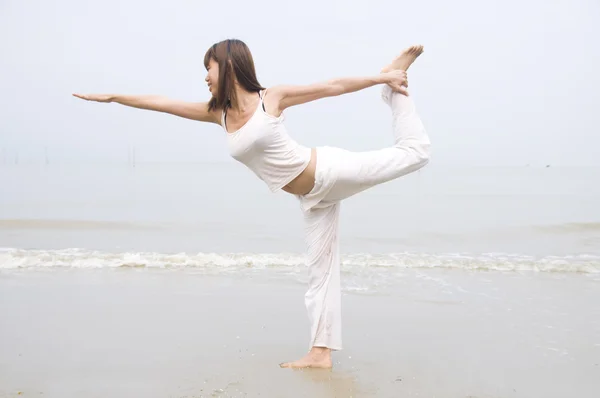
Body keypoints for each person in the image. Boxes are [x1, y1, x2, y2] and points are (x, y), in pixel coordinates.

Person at [73, 39, 431, 369]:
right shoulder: (220, 114)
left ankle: (392, 86)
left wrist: (378, 79)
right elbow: (163, 105)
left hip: (328, 172)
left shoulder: (270, 98)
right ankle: (320, 353)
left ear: (228, 66)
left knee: (415, 153)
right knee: (320, 273)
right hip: (311, 199)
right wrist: (114, 97)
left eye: (208, 68)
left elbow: (333, 87)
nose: (205, 77)